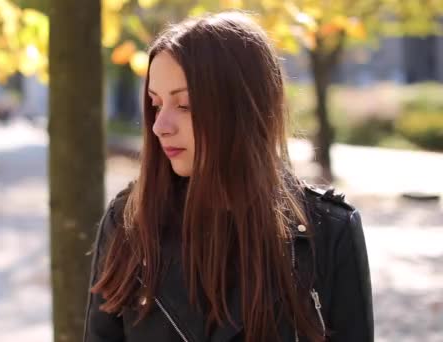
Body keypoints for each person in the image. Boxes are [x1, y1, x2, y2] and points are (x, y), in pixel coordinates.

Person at [83, 10, 373, 342]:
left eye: (185, 105)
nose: (159, 126)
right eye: (156, 104)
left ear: (242, 109)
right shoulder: (129, 223)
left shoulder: (328, 232)